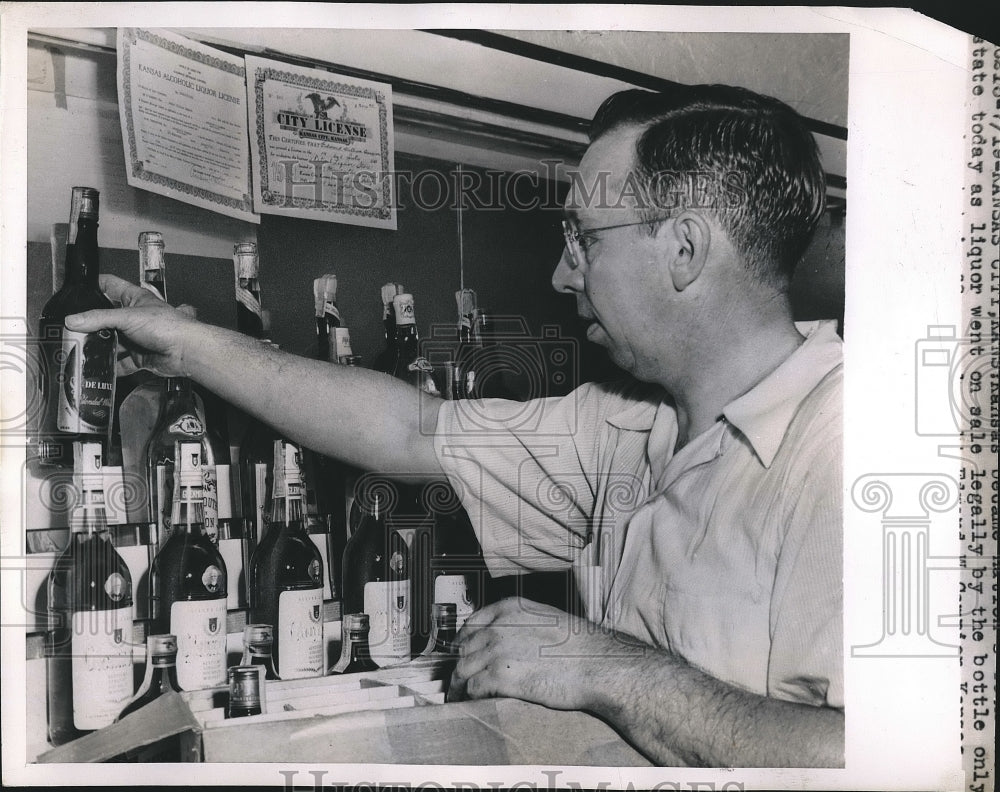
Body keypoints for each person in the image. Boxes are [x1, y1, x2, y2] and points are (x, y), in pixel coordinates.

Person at [64, 84, 843, 767]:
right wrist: (190, 343)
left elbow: (887, 756)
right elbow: (409, 428)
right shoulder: (623, 423)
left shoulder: (845, 443)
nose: (561, 273)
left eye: (584, 238)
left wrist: (608, 668)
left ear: (682, 250)